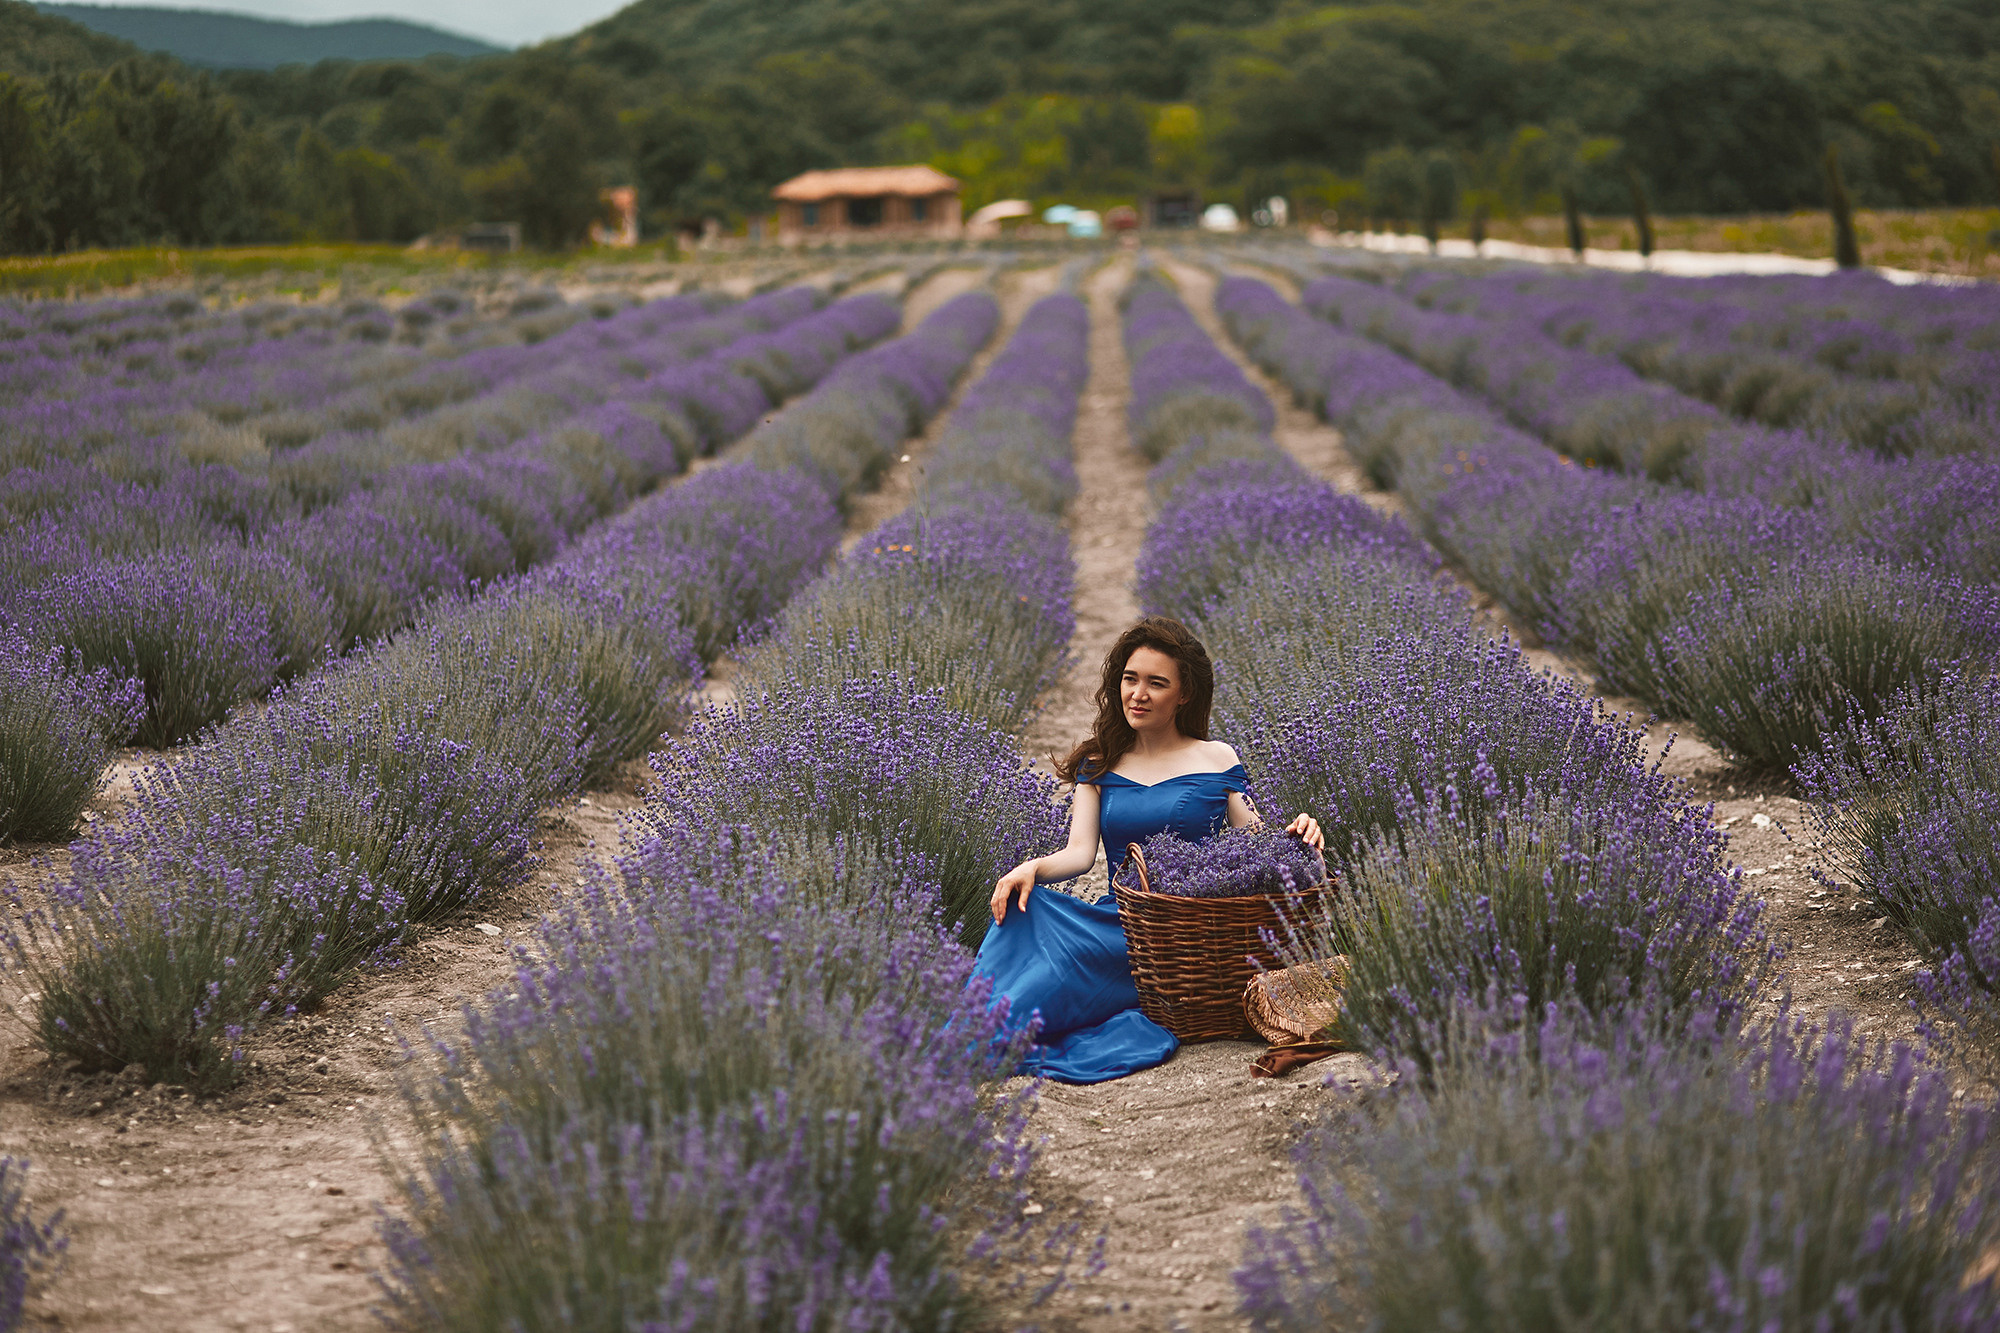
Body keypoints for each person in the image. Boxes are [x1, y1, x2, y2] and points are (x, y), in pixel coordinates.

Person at [974, 616, 1324, 1083]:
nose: (1138, 694)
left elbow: (1257, 844)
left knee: (1047, 987)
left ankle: (991, 1033)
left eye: (1156, 683)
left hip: (1185, 933)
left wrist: (1300, 834)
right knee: (1025, 910)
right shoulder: (1098, 763)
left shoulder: (1217, 758)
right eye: (1130, 679)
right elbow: (1079, 855)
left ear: (1183, 695)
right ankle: (975, 1032)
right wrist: (1031, 868)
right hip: (1123, 921)